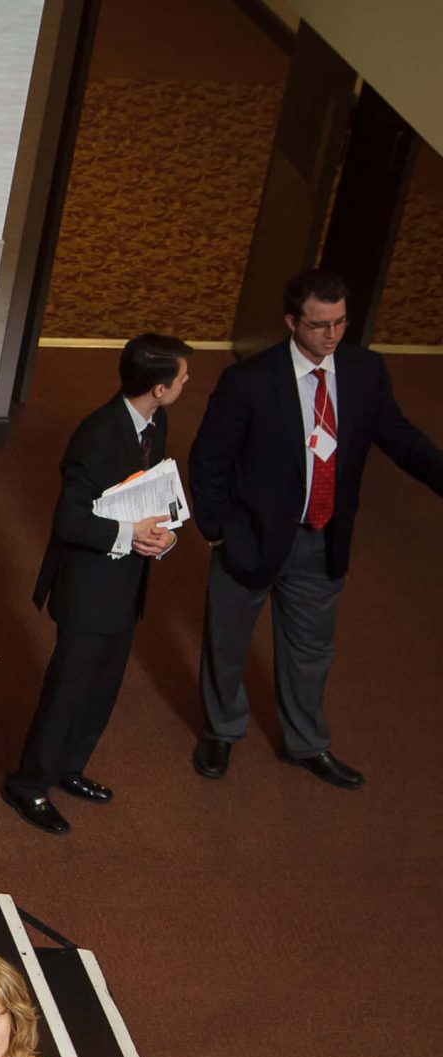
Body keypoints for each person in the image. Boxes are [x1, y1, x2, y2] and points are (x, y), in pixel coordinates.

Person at [188, 268, 443, 788]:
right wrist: (216, 531)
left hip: (321, 538)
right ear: (291, 322)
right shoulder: (249, 382)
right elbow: (209, 460)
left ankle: (305, 744)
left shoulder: (365, 372)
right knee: (228, 642)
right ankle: (222, 730)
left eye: (341, 322)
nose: (332, 335)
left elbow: (397, 436)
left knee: (310, 650)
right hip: (251, 538)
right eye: (320, 325)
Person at [3, 335, 196, 834]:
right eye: (182, 375)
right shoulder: (96, 434)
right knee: (68, 689)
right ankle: (30, 784)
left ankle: (69, 768)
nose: (187, 381)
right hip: (89, 586)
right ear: (158, 386)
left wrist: (161, 538)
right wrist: (130, 535)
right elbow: (69, 521)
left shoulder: (157, 421)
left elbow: (148, 493)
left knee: (102, 687)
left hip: (126, 581)